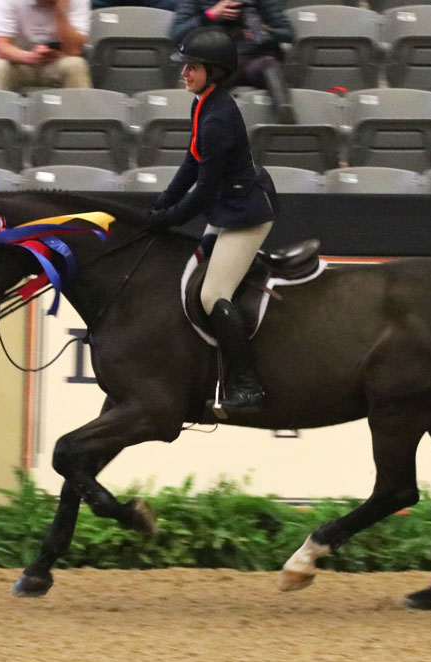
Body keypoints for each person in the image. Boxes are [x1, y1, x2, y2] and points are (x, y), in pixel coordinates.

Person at [145, 28, 276, 411]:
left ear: (214, 72)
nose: (184, 73)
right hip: (227, 208)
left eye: (192, 67)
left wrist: (166, 219)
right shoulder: (202, 104)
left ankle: (248, 384)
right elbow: (191, 162)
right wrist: (162, 201)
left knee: (211, 294)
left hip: (244, 217)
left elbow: (202, 193)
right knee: (192, 271)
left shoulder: (217, 118)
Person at [170, 0, 296, 124]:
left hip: (251, 59)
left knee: (269, 64)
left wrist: (261, 31)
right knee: (212, 75)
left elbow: (288, 33)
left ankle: (285, 114)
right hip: (216, 59)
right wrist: (210, 15)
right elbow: (176, 34)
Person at [0, 0, 91, 92]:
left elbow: (74, 51)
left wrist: (60, 10)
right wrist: (32, 56)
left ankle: (80, 114)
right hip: (18, 62)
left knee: (76, 64)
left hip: (56, 63)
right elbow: (2, 48)